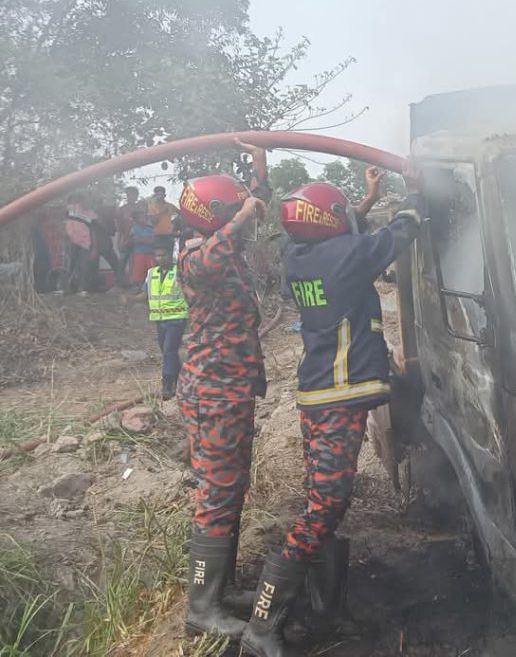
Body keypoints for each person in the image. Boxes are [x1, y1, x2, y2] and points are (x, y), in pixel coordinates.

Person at [240, 167, 422, 657]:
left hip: (318, 391)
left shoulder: (297, 255)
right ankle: (263, 623)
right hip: (338, 396)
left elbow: (349, 238)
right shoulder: (345, 255)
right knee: (324, 506)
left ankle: (326, 610)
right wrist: (418, 191)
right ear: (328, 220)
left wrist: (364, 199)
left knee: (329, 501)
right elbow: (401, 230)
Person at [175, 140, 271, 641]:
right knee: (216, 493)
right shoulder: (195, 257)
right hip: (212, 389)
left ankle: (221, 588)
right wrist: (240, 215)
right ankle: (202, 609)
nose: (242, 215)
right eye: (232, 209)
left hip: (231, 388)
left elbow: (249, 215)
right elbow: (225, 241)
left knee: (232, 488)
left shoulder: (223, 241)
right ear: (212, 216)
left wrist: (258, 165)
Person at [126, 241, 189, 399]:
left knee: (169, 350)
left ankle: (168, 385)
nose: (160, 258)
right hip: (160, 320)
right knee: (168, 352)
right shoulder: (151, 273)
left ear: (171, 255)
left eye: (163, 255)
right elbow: (145, 295)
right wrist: (131, 299)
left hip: (177, 318)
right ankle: (182, 379)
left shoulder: (179, 272)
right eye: (157, 255)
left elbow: (189, 293)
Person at [61, 194, 97, 294]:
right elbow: (63, 216)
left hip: (85, 243)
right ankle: (64, 287)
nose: (88, 202)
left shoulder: (92, 214)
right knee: (68, 265)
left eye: (91, 201)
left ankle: (82, 288)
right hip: (71, 241)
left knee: (84, 266)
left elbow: (93, 230)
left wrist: (94, 247)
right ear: (81, 201)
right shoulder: (72, 208)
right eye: (86, 200)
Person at [116, 187, 143, 284]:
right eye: (130, 194)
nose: (132, 196)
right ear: (127, 196)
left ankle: (133, 282)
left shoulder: (140, 208)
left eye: (134, 194)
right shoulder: (121, 210)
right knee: (122, 261)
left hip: (139, 239)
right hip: (126, 239)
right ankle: (119, 283)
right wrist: (119, 241)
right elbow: (119, 228)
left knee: (135, 262)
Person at [129, 209, 156, 289]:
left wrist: (142, 239)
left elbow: (153, 241)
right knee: (139, 272)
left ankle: (152, 288)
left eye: (144, 217)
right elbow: (135, 240)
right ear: (136, 219)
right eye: (140, 217)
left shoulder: (151, 229)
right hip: (139, 254)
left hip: (150, 253)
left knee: (151, 271)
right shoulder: (134, 229)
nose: (143, 219)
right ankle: (140, 288)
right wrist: (147, 240)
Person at [149, 185, 178, 252]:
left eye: (161, 194)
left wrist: (175, 226)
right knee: (157, 259)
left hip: (169, 236)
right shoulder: (151, 207)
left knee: (168, 258)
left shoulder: (170, 206)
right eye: (157, 194)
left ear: (164, 195)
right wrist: (161, 212)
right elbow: (152, 221)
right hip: (156, 236)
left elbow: (181, 213)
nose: (159, 196)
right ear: (155, 195)